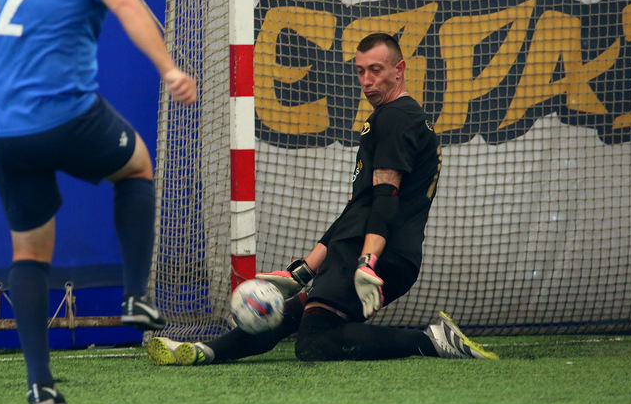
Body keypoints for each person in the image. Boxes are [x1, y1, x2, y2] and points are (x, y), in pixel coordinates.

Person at [148, 33, 496, 366]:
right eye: (360, 71)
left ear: (399, 69)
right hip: (374, 250)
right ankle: (205, 351)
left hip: (375, 251)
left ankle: (431, 340)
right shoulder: (395, 117)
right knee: (292, 313)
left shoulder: (396, 117)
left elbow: (385, 198)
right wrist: (305, 270)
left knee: (315, 341)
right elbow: (358, 208)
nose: (366, 81)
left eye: (376, 70)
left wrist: (368, 261)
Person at [0, 0, 197, 404]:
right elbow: (126, 4)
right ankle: (135, 295)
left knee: (29, 253)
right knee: (137, 166)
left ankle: (40, 385)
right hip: (65, 115)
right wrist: (169, 68)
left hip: (3, 127)